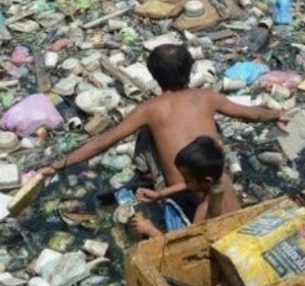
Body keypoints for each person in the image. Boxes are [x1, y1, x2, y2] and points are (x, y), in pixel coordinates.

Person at [40, 43, 287, 213]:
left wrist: (57, 165)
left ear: (154, 76)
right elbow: (251, 114)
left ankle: (151, 179)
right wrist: (276, 114)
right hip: (210, 180)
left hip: (181, 191)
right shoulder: (207, 97)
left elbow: (102, 143)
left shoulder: (150, 109)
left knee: (147, 133)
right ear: (190, 71)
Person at [132, 135, 224, 238]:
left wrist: (151, 231)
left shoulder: (204, 209)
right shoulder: (220, 182)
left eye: (188, 180)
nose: (184, 182)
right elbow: (187, 186)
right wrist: (159, 194)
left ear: (206, 182)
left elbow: (189, 248)